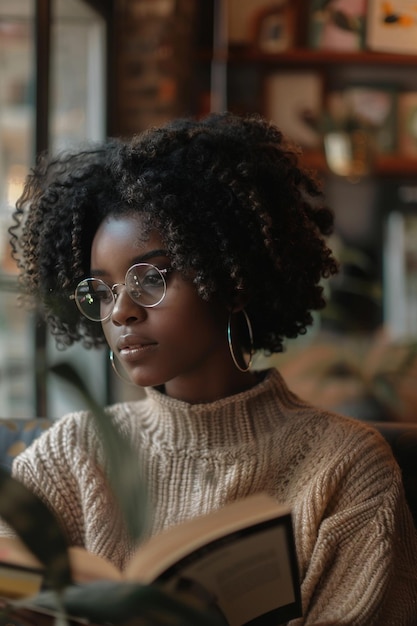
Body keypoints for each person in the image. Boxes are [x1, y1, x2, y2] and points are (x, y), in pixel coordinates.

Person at [0, 111, 416, 625]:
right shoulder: (69, 457)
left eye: (149, 278)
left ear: (231, 281)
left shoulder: (344, 468)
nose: (121, 311)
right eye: (102, 290)